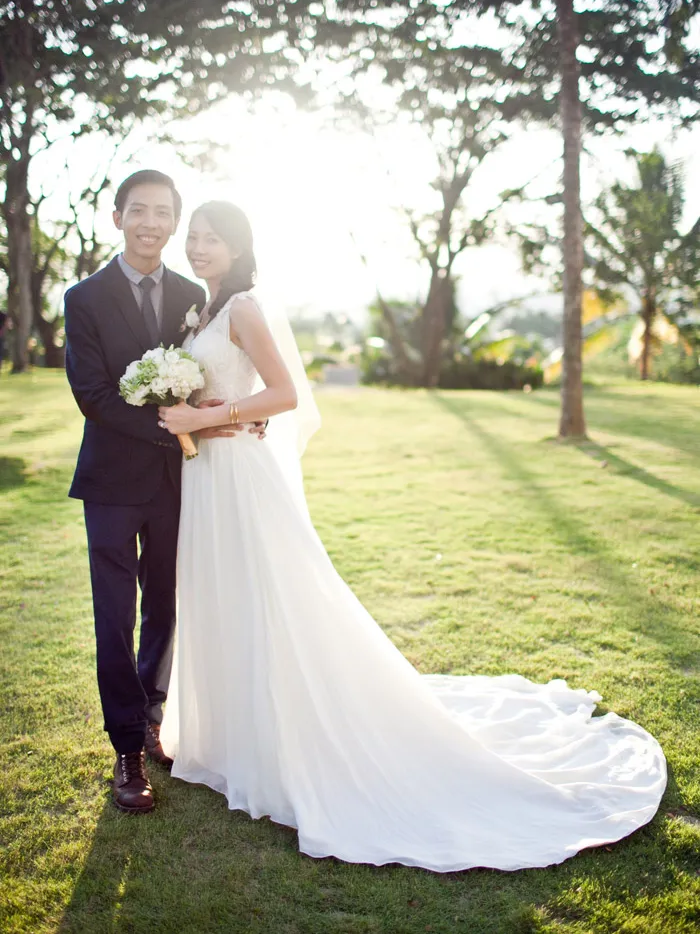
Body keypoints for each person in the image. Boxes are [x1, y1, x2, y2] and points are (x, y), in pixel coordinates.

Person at [157, 199, 666, 873]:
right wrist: (198, 417)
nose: (197, 247)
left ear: (238, 246)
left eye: (211, 239)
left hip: (240, 482)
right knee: (220, 598)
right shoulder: (201, 311)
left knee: (267, 600)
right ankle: (226, 741)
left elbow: (283, 396)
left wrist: (219, 411)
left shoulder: (244, 307)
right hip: (208, 472)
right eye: (192, 237)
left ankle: (282, 744)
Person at [64, 170, 265, 815]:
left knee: (169, 604)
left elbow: (217, 375)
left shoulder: (196, 295)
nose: (152, 223)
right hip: (113, 484)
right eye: (139, 211)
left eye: (164, 214)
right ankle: (126, 749)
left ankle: (155, 715)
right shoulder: (84, 297)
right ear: (119, 217)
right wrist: (169, 426)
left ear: (174, 224)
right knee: (114, 614)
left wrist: (232, 414)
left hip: (187, 479)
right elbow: (92, 396)